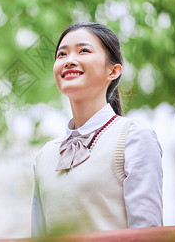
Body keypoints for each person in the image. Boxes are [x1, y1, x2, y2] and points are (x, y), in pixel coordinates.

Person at [31, 22, 163, 236]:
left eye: (84, 50)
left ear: (113, 71)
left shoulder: (134, 138)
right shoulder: (44, 156)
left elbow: (148, 235)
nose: (69, 60)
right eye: (62, 54)